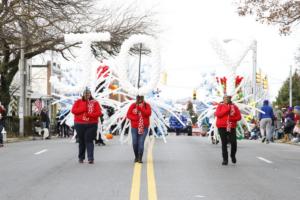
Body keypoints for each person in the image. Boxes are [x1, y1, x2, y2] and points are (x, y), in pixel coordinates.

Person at [71, 88, 102, 164]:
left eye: (88, 94)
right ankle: (81, 158)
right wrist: (83, 108)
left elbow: (99, 113)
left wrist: (90, 115)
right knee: (81, 141)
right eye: (85, 94)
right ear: (83, 94)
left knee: (89, 140)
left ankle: (90, 158)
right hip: (79, 124)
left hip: (91, 124)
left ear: (90, 94)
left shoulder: (95, 102)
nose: (87, 95)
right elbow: (73, 111)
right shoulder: (78, 102)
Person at [215, 95, 241, 165]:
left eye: (227, 98)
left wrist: (231, 119)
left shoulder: (234, 107)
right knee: (224, 143)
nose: (226, 99)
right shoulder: (220, 106)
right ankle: (225, 160)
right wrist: (227, 110)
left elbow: (239, 117)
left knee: (233, 142)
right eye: (225, 98)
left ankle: (232, 155)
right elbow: (218, 114)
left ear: (230, 99)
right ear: (223, 100)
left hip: (231, 126)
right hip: (222, 126)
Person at [127, 95, 151, 163]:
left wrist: (141, 109)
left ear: (143, 98)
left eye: (141, 97)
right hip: (134, 127)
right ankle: (136, 157)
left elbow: (148, 113)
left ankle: (140, 158)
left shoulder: (147, 105)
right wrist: (135, 119)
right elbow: (128, 114)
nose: (139, 99)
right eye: (138, 97)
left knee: (141, 142)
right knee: (135, 143)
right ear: (136, 98)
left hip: (144, 127)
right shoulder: (133, 105)